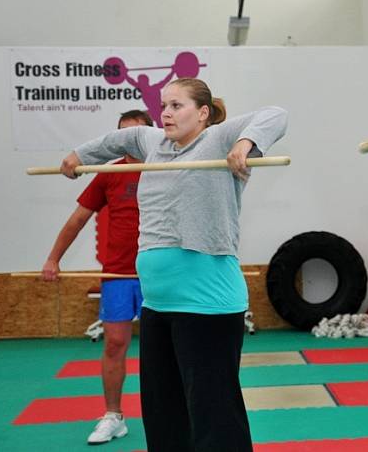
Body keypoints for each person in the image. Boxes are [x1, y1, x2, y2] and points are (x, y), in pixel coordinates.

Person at [59, 77, 287, 452]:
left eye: (176, 106)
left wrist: (246, 143)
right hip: (157, 305)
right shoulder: (151, 142)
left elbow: (276, 115)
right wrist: (79, 156)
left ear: (202, 113)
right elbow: (114, 141)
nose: (166, 113)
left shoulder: (218, 139)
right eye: (163, 105)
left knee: (214, 416)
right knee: (163, 415)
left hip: (207, 305)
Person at [41, 109, 152, 445]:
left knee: (163, 349)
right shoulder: (107, 173)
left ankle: (171, 412)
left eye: (137, 133)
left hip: (157, 274)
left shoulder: (167, 169)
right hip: (117, 272)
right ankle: (113, 415)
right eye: (123, 135)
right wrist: (53, 258)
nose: (129, 140)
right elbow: (77, 220)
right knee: (115, 343)